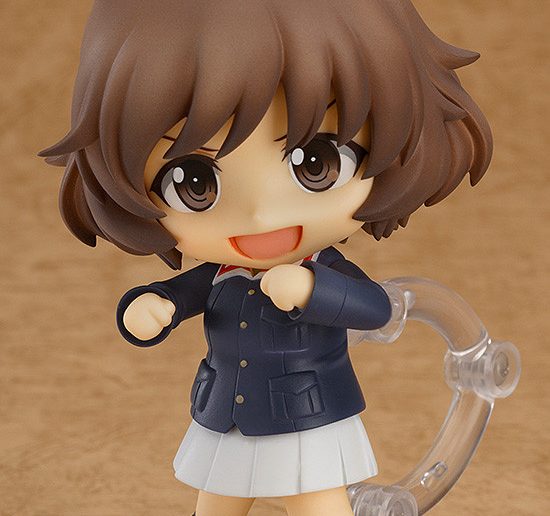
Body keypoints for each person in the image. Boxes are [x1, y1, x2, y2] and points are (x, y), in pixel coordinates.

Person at [40, 1, 492, 514]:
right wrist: (150, 306)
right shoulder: (221, 275)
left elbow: (374, 308)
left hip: (307, 416)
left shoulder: (321, 268)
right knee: (217, 502)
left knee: (315, 501)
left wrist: (313, 290)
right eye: (193, 183)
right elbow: (177, 295)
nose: (259, 214)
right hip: (223, 416)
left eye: (316, 162)